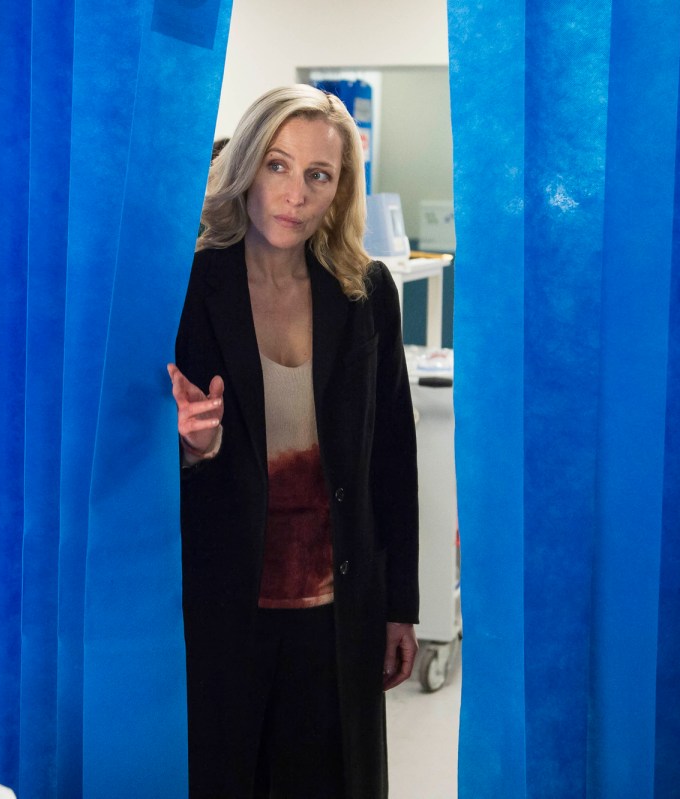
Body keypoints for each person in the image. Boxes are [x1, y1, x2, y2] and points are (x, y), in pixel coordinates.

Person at [167, 84, 419, 798]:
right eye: (277, 165)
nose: (295, 194)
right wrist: (188, 447)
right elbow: (125, 461)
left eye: (319, 175)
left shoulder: (365, 292)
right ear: (245, 165)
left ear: (341, 190)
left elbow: (392, 458)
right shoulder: (185, 286)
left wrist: (401, 604)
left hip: (337, 616)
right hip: (221, 615)